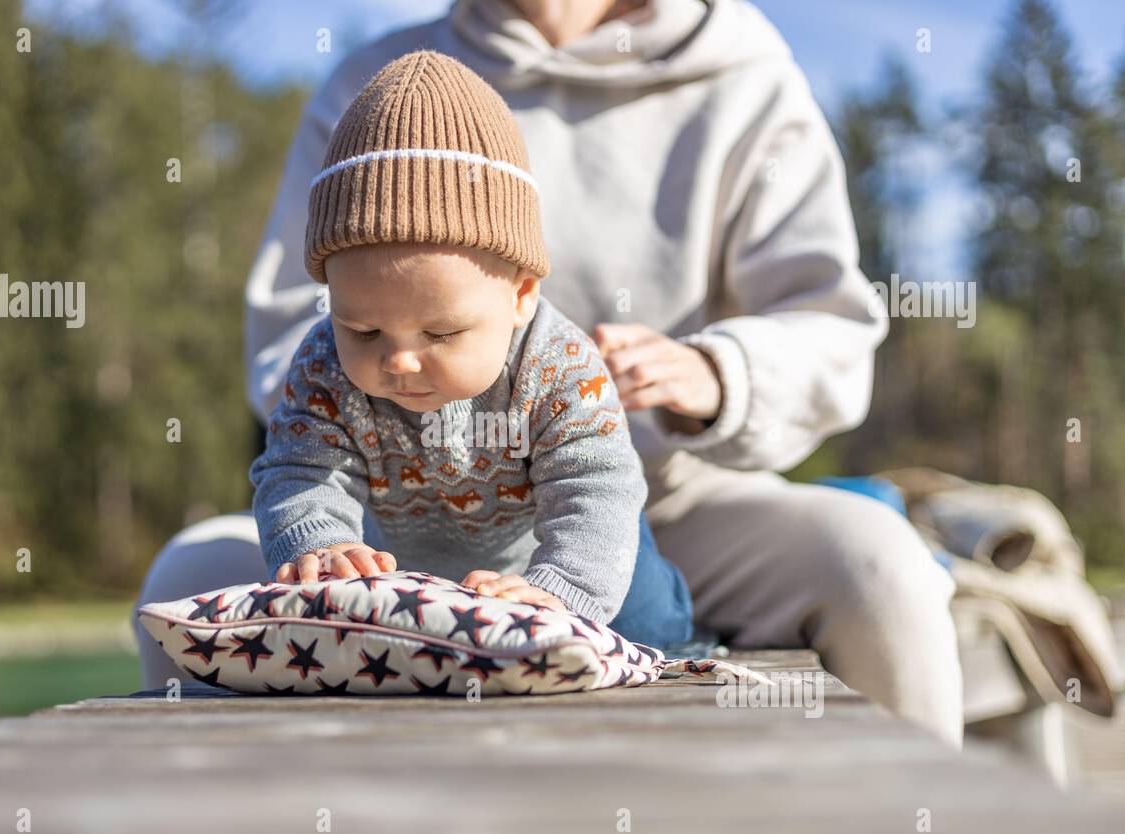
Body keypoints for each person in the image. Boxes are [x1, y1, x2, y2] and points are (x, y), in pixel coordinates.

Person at [134, 0, 963, 747]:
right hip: (389, 521)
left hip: (678, 495)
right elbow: (290, 333)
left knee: (879, 566)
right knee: (180, 578)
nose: (400, 351)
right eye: (369, 331)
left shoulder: (744, 74)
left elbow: (829, 325)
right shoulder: (371, 85)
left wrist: (717, 373)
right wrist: (345, 508)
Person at [252, 50, 692, 647]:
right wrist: (319, 544)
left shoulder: (559, 367)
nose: (400, 360)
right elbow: (301, 468)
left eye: (441, 334)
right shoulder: (322, 364)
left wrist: (561, 591)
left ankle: (680, 621)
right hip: (407, 561)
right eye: (364, 331)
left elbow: (597, 486)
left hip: (570, 551)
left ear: (521, 296)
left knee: (647, 624)